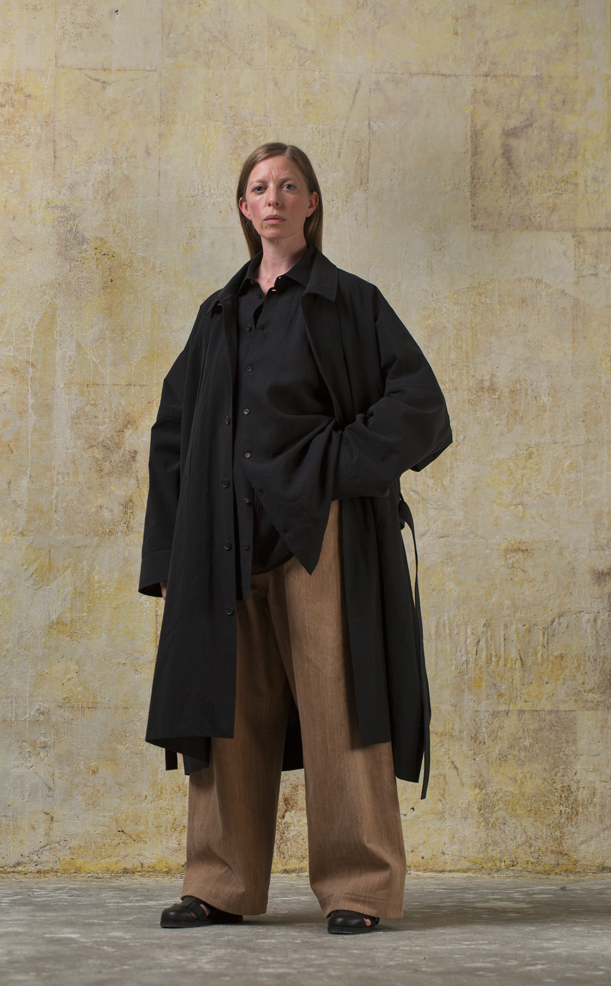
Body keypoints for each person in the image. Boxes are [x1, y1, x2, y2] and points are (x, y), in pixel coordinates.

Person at [138, 143, 452, 935]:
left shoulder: (351, 302)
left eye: (287, 185)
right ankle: (219, 883)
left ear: (311, 202)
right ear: (244, 208)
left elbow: (418, 404)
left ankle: (359, 888)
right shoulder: (218, 315)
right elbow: (172, 434)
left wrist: (338, 464)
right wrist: (168, 556)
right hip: (222, 538)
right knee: (224, 712)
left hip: (320, 530)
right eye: (258, 187)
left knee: (341, 706)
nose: (272, 197)